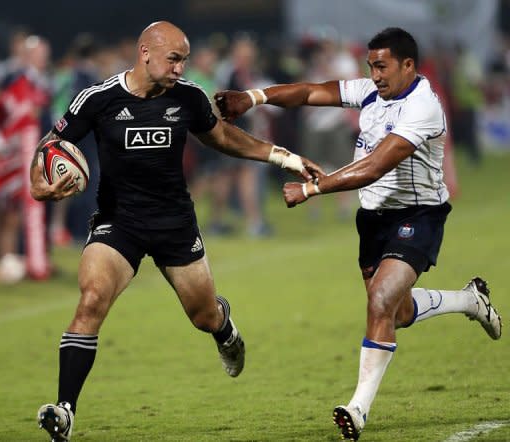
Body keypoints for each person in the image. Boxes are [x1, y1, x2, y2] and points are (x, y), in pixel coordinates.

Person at [30, 21, 322, 442]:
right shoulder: (97, 98)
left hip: (174, 224)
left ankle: (225, 329)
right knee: (91, 300)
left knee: (203, 315)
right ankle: (66, 410)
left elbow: (223, 137)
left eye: (184, 59)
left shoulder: (187, 97)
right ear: (145, 52)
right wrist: (41, 185)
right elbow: (48, 148)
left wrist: (283, 157)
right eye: (174, 58)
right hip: (119, 222)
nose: (181, 68)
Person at [215, 27, 502, 441]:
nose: (375, 74)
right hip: (372, 220)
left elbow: (375, 166)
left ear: (407, 65)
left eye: (382, 66)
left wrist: (314, 187)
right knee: (396, 313)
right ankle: (469, 300)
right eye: (371, 65)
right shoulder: (370, 90)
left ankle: (358, 408)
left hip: (418, 214)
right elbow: (310, 92)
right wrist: (253, 97)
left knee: (381, 300)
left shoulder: (421, 107)